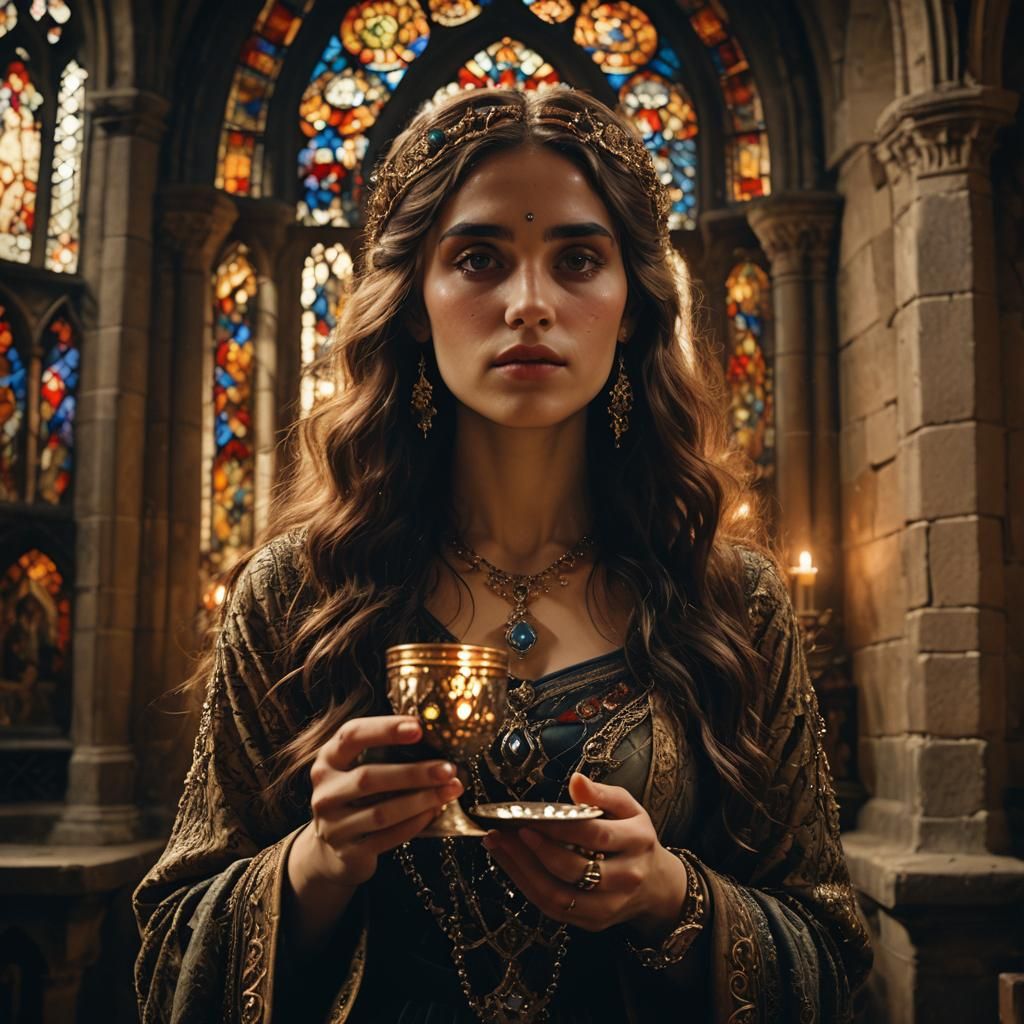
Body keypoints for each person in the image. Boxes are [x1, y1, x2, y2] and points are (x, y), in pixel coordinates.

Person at [133, 84, 872, 1023]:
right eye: (479, 258)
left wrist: (670, 899)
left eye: (577, 260)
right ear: (412, 304)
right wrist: (316, 864)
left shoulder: (731, 602)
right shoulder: (297, 595)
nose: (529, 305)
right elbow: (164, 961)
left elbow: (831, 949)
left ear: (634, 307)